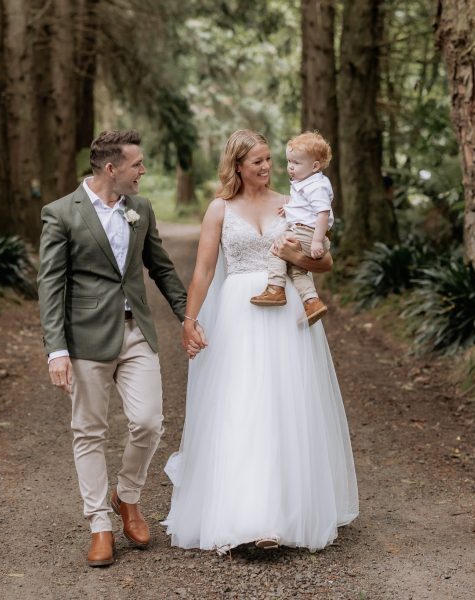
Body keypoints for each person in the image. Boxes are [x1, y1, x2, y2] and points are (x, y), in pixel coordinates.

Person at [163, 129, 359, 553]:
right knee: (241, 405)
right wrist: (190, 320)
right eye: (258, 162)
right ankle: (245, 516)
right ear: (237, 166)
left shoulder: (293, 203)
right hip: (238, 313)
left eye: (270, 160)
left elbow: (324, 259)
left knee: (284, 405)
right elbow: (202, 272)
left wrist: (294, 255)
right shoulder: (219, 209)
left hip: (285, 311)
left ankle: (284, 515)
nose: (268, 168)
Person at [37, 130, 189, 567]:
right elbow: (50, 284)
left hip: (136, 330)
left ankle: (128, 496)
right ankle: (99, 524)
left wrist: (187, 318)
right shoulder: (62, 213)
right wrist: (56, 349)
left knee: (148, 421)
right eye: (137, 164)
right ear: (111, 169)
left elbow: (160, 268)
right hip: (85, 337)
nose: (143, 171)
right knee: (89, 430)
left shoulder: (139, 209)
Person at [250, 131, 334, 327]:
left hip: (307, 233)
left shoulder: (316, 186)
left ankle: (275, 289)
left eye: (296, 163)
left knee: (277, 249)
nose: (290, 167)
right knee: (298, 272)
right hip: (307, 231)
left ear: (314, 166)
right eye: (289, 162)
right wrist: (288, 209)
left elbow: (322, 213)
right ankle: (312, 302)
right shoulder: (307, 182)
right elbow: (306, 208)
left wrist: (315, 241)